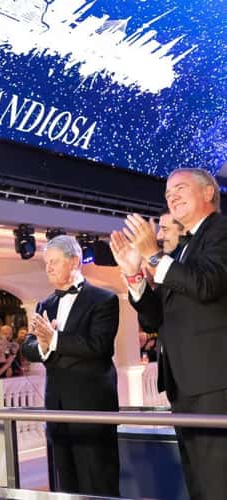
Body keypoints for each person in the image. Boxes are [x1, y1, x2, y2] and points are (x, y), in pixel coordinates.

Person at [110, 167, 227, 500]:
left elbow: (206, 285)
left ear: (208, 192)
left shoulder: (221, 231)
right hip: (184, 384)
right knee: (199, 482)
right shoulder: (183, 250)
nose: (171, 196)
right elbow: (155, 319)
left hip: (215, 382)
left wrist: (154, 255)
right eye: (167, 193)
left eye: (180, 188)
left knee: (219, 481)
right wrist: (134, 276)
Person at [22, 235, 120, 497]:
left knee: (99, 484)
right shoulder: (45, 304)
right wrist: (44, 345)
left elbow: (98, 346)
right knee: (65, 487)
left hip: (92, 409)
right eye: (46, 263)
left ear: (75, 261)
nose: (48, 268)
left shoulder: (104, 300)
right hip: (57, 409)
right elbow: (28, 347)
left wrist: (53, 339)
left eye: (54, 262)